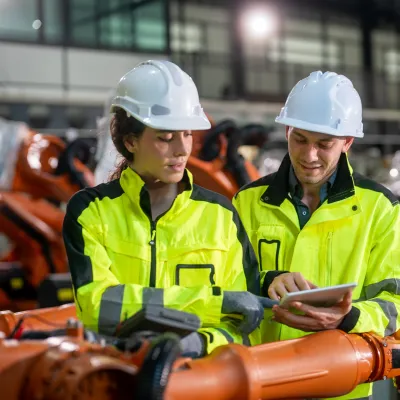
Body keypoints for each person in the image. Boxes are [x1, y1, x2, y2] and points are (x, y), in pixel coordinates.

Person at [62, 60, 274, 358]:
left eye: (187, 134)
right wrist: (213, 302)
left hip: (200, 383)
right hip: (119, 378)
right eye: (166, 137)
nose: (182, 149)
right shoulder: (91, 212)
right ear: (130, 141)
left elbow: (244, 322)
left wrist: (197, 344)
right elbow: (98, 306)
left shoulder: (220, 215)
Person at [233, 71, 400, 399]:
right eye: (300, 140)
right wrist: (266, 279)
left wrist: (349, 317)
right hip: (262, 381)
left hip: (341, 388)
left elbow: (395, 302)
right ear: (287, 130)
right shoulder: (247, 201)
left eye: (324, 145)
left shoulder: (381, 209)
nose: (309, 156)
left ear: (347, 142)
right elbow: (224, 284)